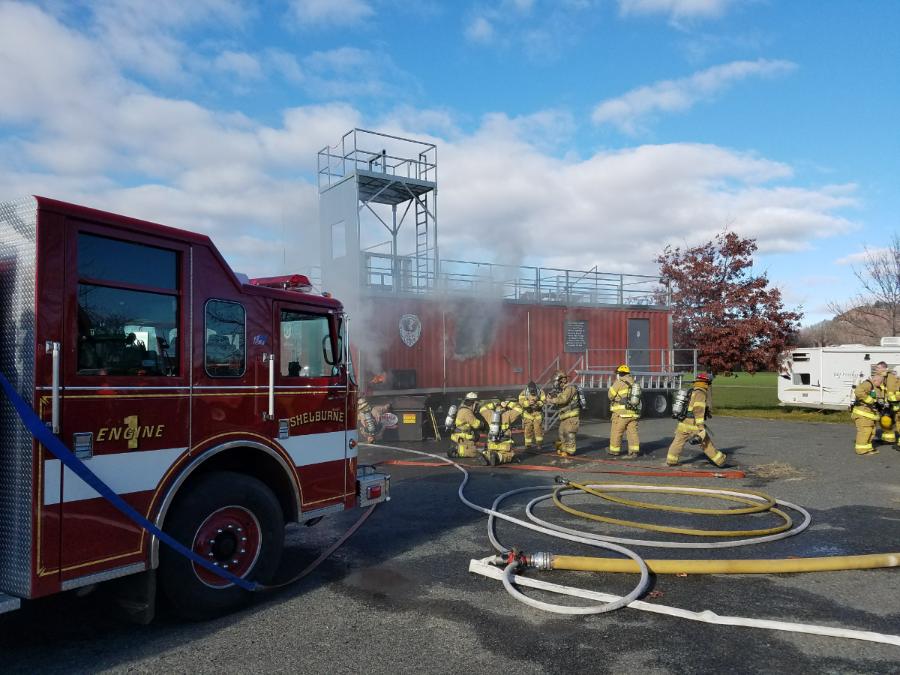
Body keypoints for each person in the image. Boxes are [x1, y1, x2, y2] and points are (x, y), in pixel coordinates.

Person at [666, 372, 727, 468]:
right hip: (693, 423)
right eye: (709, 383)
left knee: (678, 441)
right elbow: (698, 410)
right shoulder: (701, 392)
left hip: (684, 421)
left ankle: (671, 460)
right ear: (706, 382)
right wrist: (701, 426)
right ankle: (721, 461)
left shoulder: (693, 390)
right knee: (705, 442)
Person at [607, 365, 640, 458]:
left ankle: (614, 451)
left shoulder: (619, 382)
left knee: (617, 432)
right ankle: (634, 451)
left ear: (620, 374)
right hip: (633, 413)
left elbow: (610, 395)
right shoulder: (634, 382)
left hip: (621, 413)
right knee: (632, 432)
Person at [478, 398, 523, 465]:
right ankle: (498, 457)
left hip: (492, 444)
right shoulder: (508, 415)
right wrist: (508, 403)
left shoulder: (490, 414)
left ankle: (486, 456)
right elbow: (519, 409)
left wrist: (493, 404)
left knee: (490, 452)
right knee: (508, 456)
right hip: (504, 444)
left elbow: (482, 409)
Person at [547, 370, 581, 457]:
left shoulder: (570, 388)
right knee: (562, 434)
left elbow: (563, 400)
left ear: (563, 380)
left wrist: (551, 400)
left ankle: (570, 451)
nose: (556, 384)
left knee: (569, 434)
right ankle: (564, 450)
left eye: (557, 381)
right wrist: (553, 396)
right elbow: (561, 399)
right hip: (565, 417)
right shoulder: (564, 390)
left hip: (571, 417)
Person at [851, 372, 885, 456]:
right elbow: (858, 391)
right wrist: (870, 400)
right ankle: (861, 450)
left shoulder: (874, 386)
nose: (880, 384)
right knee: (865, 431)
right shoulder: (868, 384)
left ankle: (867, 448)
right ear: (875, 380)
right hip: (862, 414)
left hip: (868, 415)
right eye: (880, 382)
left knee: (871, 431)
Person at [449, 392, 483, 458]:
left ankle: (457, 448)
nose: (477, 406)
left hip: (458, 436)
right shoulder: (467, 412)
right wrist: (482, 424)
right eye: (476, 404)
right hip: (462, 437)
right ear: (472, 403)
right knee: (474, 453)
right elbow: (476, 424)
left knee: (476, 436)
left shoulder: (462, 408)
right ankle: (458, 450)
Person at [517, 381, 547, 450]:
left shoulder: (540, 391)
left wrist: (537, 403)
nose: (533, 393)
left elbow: (544, 401)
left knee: (538, 430)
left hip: (537, 414)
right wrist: (528, 403)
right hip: (528, 414)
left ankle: (539, 444)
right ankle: (528, 445)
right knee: (528, 430)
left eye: (534, 391)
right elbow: (521, 402)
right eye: (531, 391)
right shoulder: (524, 392)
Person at [876, 361, 899, 447]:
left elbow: (891, 390)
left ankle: (890, 439)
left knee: (888, 420)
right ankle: (887, 439)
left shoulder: (890, 376)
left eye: (878, 368)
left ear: (884, 368)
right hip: (884, 402)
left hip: (890, 403)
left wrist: (888, 402)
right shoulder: (882, 377)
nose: (876, 369)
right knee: (884, 421)